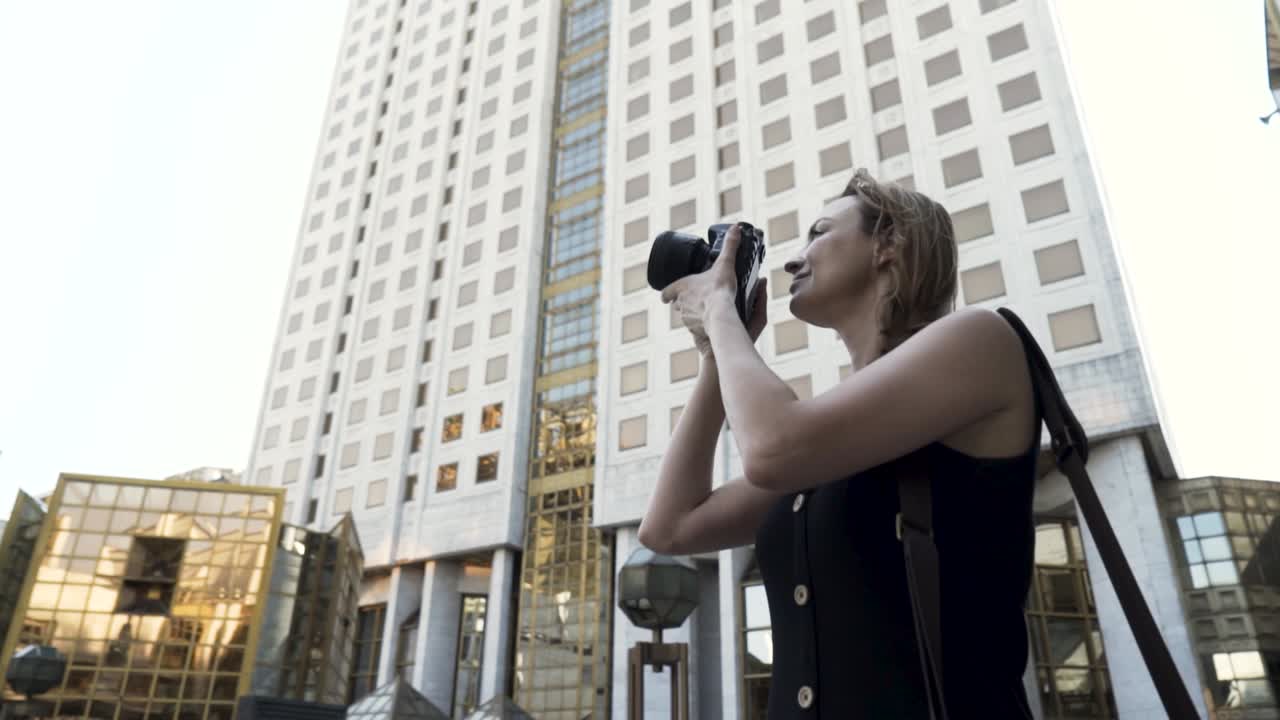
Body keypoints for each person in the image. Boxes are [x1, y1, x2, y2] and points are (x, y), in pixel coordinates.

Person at [638, 168, 1041, 718]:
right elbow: (671, 525)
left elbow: (774, 447)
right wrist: (716, 350)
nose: (791, 260)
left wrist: (719, 310)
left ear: (889, 243)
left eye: (820, 232)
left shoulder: (979, 340)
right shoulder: (830, 435)